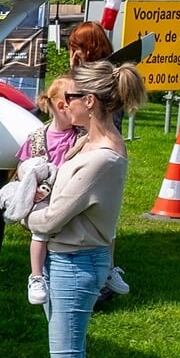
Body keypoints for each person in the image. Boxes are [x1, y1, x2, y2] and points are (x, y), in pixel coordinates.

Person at [26, 57, 146, 358]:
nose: (65, 104)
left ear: (90, 101)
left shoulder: (100, 159)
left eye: (71, 97)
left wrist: (23, 208)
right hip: (68, 259)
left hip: (75, 264)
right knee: (68, 352)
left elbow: (50, 218)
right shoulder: (88, 144)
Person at [64, 22, 131, 303]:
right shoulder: (108, 73)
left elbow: (77, 114)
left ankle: (102, 278)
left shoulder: (98, 81)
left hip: (94, 153)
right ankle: (106, 275)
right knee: (103, 220)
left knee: (93, 220)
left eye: (76, 47)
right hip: (101, 152)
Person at [17, 76, 83, 305]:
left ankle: (110, 269)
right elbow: (22, 165)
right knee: (40, 231)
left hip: (68, 191)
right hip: (42, 196)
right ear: (63, 107)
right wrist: (29, 183)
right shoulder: (37, 137)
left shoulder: (80, 136)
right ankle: (36, 277)